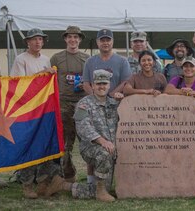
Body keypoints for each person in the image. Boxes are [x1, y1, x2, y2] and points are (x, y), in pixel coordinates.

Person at [46, 69, 121, 202]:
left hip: (110, 148)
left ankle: (63, 185)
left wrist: (122, 100)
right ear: (92, 85)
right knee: (104, 154)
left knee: (103, 186)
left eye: (104, 83)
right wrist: (103, 141)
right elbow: (83, 128)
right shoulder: (84, 104)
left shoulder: (112, 103)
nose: (101, 87)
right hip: (90, 147)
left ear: (109, 85)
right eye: (98, 84)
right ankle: (100, 192)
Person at [10, 28, 58, 199]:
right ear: (27, 42)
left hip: (43, 109)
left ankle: (44, 181)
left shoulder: (46, 59)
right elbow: (19, 84)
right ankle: (27, 184)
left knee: (44, 143)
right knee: (28, 145)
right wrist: (43, 74)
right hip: (26, 110)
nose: (38, 42)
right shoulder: (20, 59)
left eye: (40, 39)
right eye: (34, 39)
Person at [82, 28, 129, 185]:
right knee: (94, 141)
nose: (105, 42)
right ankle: (91, 181)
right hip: (94, 107)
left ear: (112, 42)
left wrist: (109, 96)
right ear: (97, 42)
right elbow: (86, 83)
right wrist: (96, 98)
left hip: (114, 107)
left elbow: (125, 82)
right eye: (102, 40)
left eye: (108, 39)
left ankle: (113, 180)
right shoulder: (90, 61)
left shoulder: (122, 61)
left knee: (114, 142)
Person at [50, 26, 90, 183]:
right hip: (63, 103)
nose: (73, 40)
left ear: (80, 39)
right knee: (66, 143)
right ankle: (68, 175)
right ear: (65, 39)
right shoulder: (56, 58)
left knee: (86, 139)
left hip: (82, 103)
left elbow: (90, 80)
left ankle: (91, 176)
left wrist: (85, 85)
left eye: (76, 37)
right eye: (70, 37)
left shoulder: (87, 58)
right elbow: (50, 79)